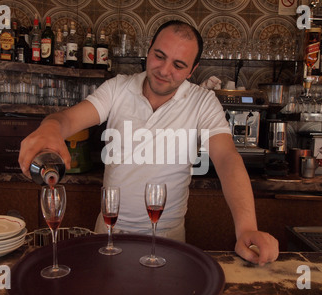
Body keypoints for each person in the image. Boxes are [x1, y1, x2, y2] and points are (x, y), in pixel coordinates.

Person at [19, 20, 279, 266]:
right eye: (159, 56)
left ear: (193, 69)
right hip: (109, 232)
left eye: (178, 65)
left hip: (167, 239)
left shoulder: (202, 102)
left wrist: (247, 227)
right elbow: (67, 119)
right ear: (148, 50)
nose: (165, 71)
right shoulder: (118, 89)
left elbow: (227, 158)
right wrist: (51, 127)